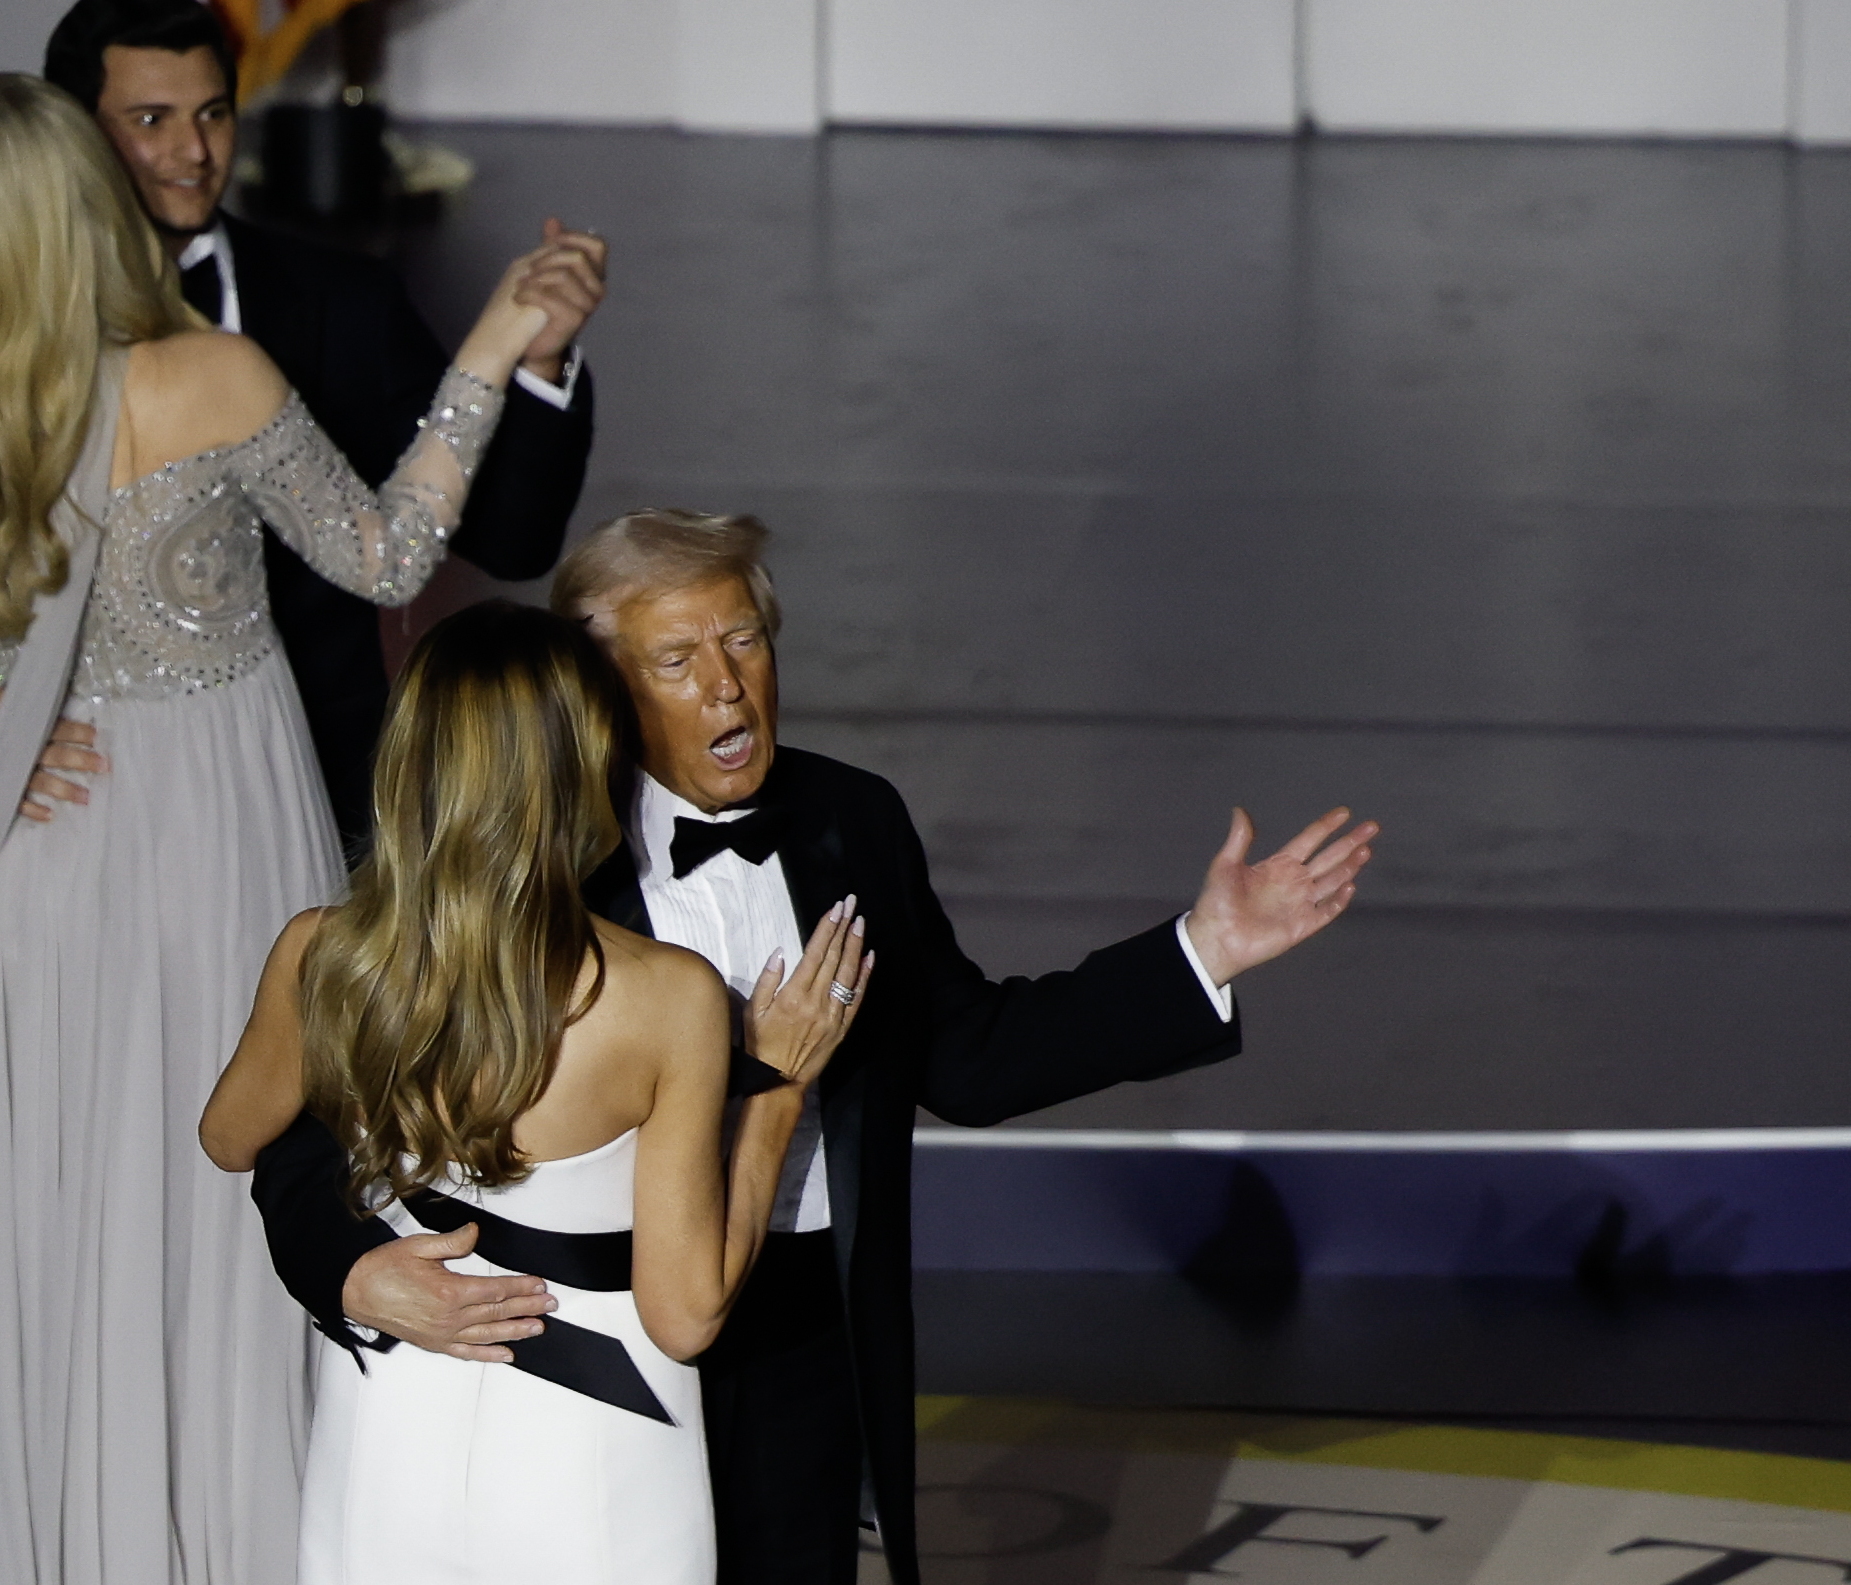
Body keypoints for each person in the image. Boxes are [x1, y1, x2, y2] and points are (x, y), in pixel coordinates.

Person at [0, 73, 567, 1585]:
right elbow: (387, 556)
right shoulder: (211, 375)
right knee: (214, 1207)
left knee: (23, 1242)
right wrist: (493, 348)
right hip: (214, 846)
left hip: (14, 865)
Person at [249, 510, 1378, 1585]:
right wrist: (348, 1270)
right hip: (588, 1331)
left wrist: (1200, 951)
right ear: (598, 689)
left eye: (743, 638)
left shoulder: (854, 820)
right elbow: (310, 1128)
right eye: (680, 656)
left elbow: (966, 1053)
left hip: (804, 1325)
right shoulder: (536, 855)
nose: (729, 682)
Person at [201, 604, 871, 1585]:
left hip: (391, 1431)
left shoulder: (323, 954)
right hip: (600, 1459)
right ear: (586, 763)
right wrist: (774, 1087)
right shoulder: (669, 996)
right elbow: (684, 1313)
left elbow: (231, 1134)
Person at [40, 0, 604, 850]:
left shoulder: (342, 302)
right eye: (150, 120)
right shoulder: (15, 332)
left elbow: (512, 542)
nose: (194, 151)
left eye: (215, 114)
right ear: (73, 134)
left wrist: (536, 362)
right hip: (84, 797)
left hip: (317, 789)